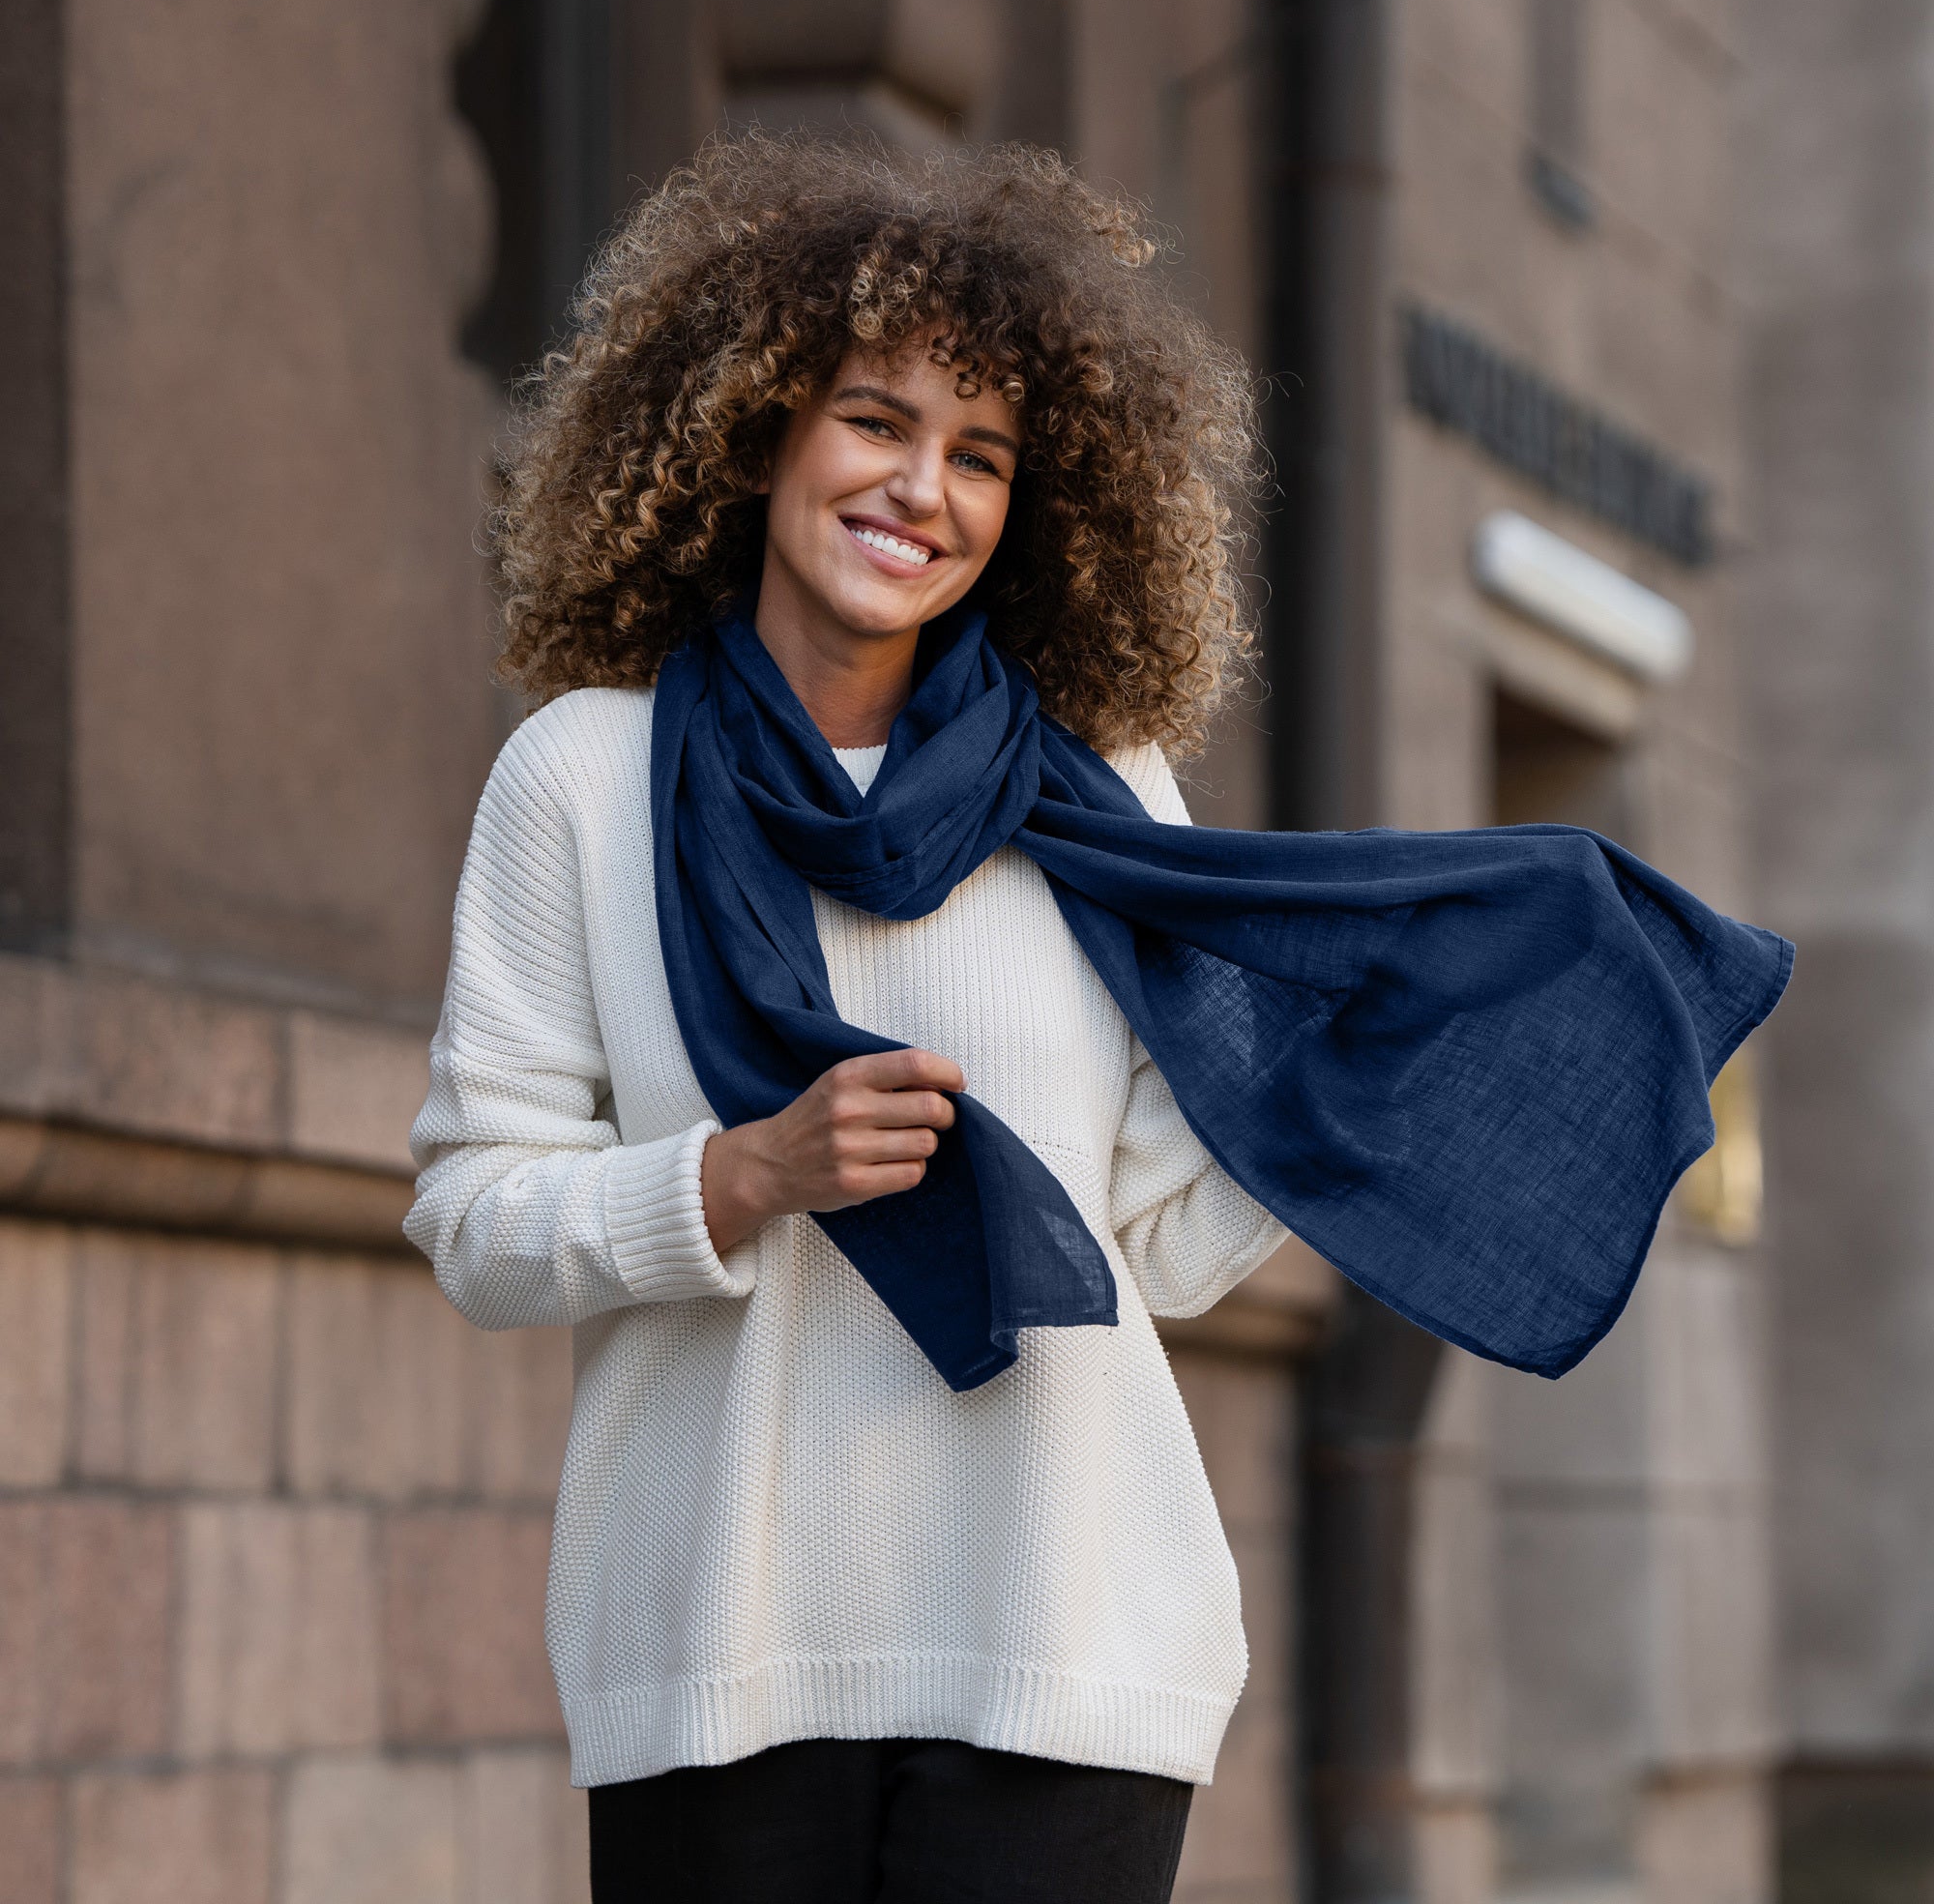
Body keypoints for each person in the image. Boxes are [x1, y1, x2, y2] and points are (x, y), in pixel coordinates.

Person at [405, 134, 1788, 1903]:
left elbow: (1156, 1247)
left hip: (1068, 1645)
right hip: (718, 1654)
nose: (924, 488)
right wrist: (740, 1175)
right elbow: (471, 1218)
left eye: (980, 455)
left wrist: (1358, 1074)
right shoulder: (584, 780)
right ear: (755, 433)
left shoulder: (1098, 790)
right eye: (876, 423)